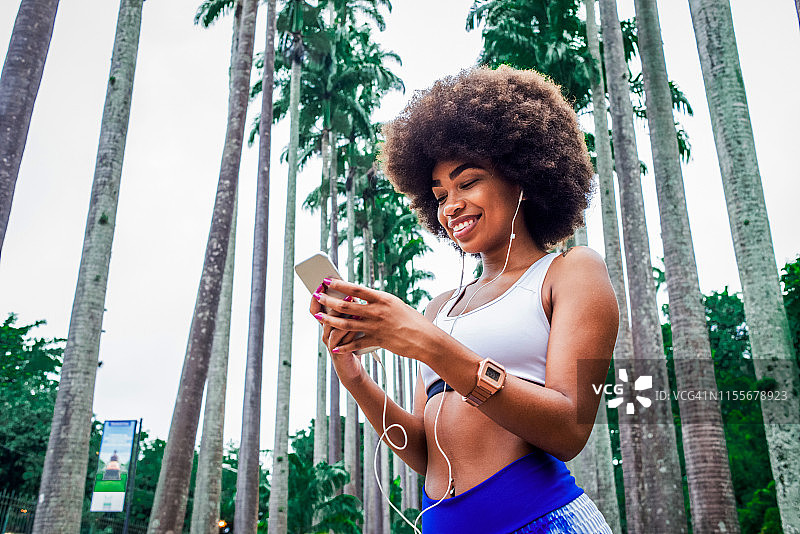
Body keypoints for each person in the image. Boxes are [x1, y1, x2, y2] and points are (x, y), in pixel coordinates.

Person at [309, 65, 619, 533]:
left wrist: (425, 342)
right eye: (439, 194)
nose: (450, 205)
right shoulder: (440, 308)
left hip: (542, 521)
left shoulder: (570, 272)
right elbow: (421, 451)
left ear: (523, 177)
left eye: (467, 182)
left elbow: (568, 429)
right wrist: (353, 377)